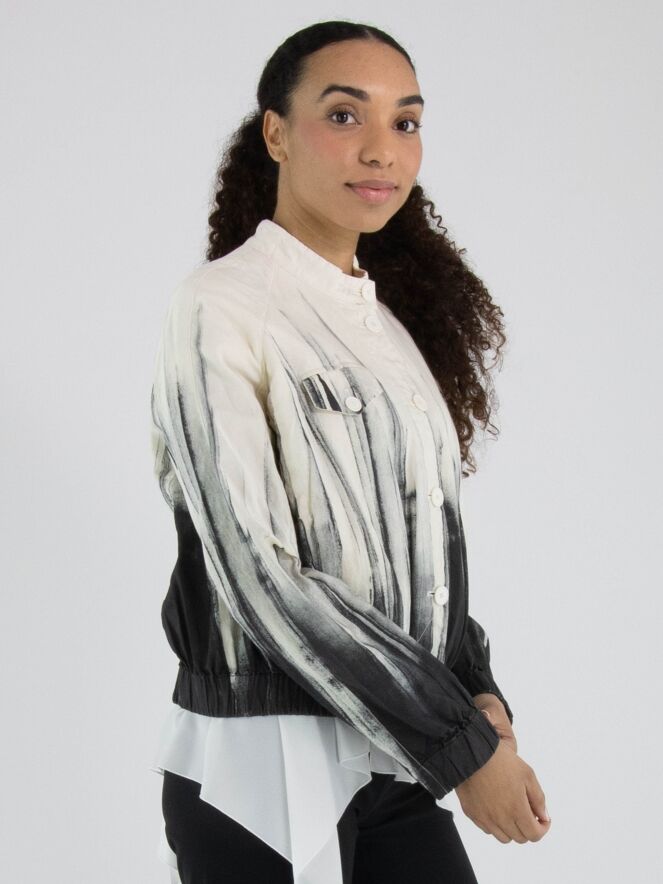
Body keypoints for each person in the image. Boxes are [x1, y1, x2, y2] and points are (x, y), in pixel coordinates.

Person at [148, 18, 551, 884]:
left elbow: (423, 563)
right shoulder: (219, 307)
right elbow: (259, 572)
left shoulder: (388, 331)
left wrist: (477, 693)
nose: (380, 148)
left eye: (405, 122)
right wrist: (460, 745)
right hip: (262, 772)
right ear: (275, 134)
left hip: (389, 759)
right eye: (343, 115)